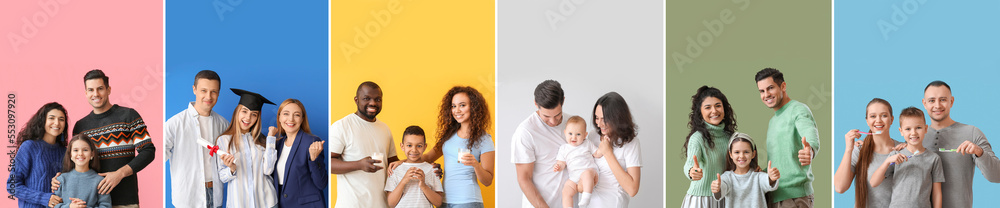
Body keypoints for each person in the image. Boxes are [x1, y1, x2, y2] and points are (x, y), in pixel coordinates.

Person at [55, 69, 156, 208]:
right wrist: (60, 178)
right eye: (90, 90)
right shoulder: (80, 126)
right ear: (85, 93)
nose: (95, 94)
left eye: (100, 89)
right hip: (91, 203)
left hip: (125, 200)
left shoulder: (129, 116)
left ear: (108, 90)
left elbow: (148, 151)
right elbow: (76, 159)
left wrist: (119, 174)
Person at [407, 86, 494, 208]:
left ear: (474, 107)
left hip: (468, 201)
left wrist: (475, 165)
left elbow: (488, 181)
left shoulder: (484, 139)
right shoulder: (448, 135)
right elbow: (427, 157)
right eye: (454, 106)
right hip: (444, 201)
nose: (457, 110)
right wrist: (402, 163)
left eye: (462, 105)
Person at [919, 81, 1000, 208]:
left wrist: (980, 152)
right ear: (924, 103)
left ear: (951, 101)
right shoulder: (915, 136)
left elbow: (997, 176)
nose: (937, 105)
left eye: (943, 99)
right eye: (932, 100)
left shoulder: (972, 133)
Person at [753, 68, 818, 207]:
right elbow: (781, 160)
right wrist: (763, 173)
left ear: (783, 86)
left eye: (770, 88)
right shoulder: (772, 121)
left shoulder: (798, 109)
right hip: (774, 195)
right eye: (762, 91)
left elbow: (809, 132)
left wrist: (810, 150)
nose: (766, 95)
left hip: (794, 197)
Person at [330, 81, 398, 208]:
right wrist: (359, 165)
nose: (373, 103)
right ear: (356, 100)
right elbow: (328, 163)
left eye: (377, 99)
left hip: (382, 204)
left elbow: (394, 163)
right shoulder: (342, 126)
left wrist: (424, 167)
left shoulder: (384, 128)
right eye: (367, 98)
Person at [165, 70, 227, 208]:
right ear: (194, 89)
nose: (208, 96)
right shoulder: (175, 123)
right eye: (203, 90)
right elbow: (157, 154)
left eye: (213, 91)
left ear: (218, 93)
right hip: (188, 196)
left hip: (215, 193)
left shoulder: (223, 124)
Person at [833, 98, 902, 208]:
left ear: (892, 119)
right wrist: (848, 150)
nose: (878, 120)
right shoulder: (859, 150)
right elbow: (840, 188)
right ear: (867, 121)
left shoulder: (903, 150)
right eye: (873, 116)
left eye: (884, 115)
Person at [869, 107, 943, 208]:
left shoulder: (934, 159)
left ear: (926, 129)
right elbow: (873, 182)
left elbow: (937, 193)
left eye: (918, 128)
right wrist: (887, 161)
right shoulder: (895, 156)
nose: (913, 133)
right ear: (901, 131)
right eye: (908, 129)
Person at [215, 88, 278, 208]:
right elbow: (222, 177)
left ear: (257, 118)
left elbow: (268, 170)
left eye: (253, 114)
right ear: (237, 112)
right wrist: (232, 169)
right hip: (239, 203)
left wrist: (270, 139)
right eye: (244, 111)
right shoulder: (223, 140)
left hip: (266, 202)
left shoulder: (263, 140)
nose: (248, 118)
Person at [511, 80, 570, 208]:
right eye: (546, 116)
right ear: (536, 104)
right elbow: (524, 179)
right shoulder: (526, 132)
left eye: (558, 114)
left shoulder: (572, 125)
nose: (553, 121)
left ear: (563, 101)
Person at [681, 86, 738, 208]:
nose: (714, 111)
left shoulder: (731, 137)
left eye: (718, 105)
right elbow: (689, 164)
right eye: (708, 107)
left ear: (724, 109)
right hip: (702, 200)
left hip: (725, 197)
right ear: (700, 113)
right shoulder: (698, 138)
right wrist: (692, 172)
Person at [7, 102, 69, 208]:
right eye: (52, 118)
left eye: (61, 119)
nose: (57, 123)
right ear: (42, 121)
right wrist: (43, 198)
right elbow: (12, 186)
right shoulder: (29, 147)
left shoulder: (65, 152)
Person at [587, 92, 642, 208]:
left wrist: (607, 153)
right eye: (597, 118)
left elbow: (632, 189)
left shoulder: (631, 143)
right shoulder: (592, 136)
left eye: (604, 119)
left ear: (617, 118)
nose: (599, 124)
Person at [272, 99, 327, 208]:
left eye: (296, 115)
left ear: (302, 119)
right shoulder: (277, 144)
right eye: (286, 114)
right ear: (279, 117)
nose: (290, 119)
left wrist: (314, 159)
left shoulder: (312, 142)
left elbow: (321, 184)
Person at [710, 132, 780, 208]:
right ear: (731, 155)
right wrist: (717, 188)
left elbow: (767, 181)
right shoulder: (727, 177)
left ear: (753, 154)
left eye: (746, 152)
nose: (741, 156)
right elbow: (722, 189)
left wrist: (772, 178)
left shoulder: (758, 176)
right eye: (737, 152)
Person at [385, 126, 444, 208]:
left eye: (419, 146)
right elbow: (391, 203)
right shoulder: (395, 169)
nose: (414, 150)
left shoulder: (432, 170)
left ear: (425, 147)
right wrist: (404, 181)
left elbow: (438, 203)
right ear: (402, 146)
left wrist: (423, 185)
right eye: (409, 145)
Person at [552, 116, 600, 208]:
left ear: (585, 135)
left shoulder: (587, 143)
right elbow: (562, 163)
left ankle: (586, 197)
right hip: (574, 178)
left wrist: (604, 148)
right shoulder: (564, 148)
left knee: (586, 174)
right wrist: (558, 166)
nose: (573, 137)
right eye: (570, 133)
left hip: (590, 173)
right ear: (565, 133)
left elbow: (597, 153)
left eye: (578, 134)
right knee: (566, 191)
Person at [53, 135, 112, 208]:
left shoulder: (100, 181)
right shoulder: (61, 179)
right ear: (70, 154)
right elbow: (53, 205)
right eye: (75, 150)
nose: (80, 153)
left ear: (92, 154)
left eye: (85, 150)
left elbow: (106, 206)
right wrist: (69, 207)